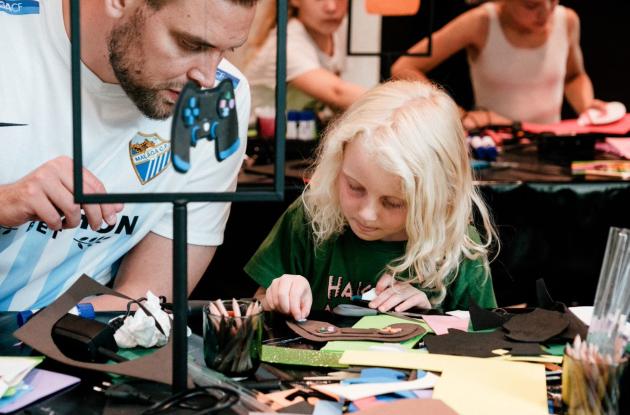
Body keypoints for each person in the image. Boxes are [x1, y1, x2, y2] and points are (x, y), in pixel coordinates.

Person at [0, 0, 258, 311]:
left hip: (61, 341)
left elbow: (146, 295)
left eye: (225, 51)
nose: (206, 78)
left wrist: (51, 345)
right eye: (190, 44)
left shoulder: (221, 100)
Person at [244, 80, 498, 320]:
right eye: (355, 187)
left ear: (435, 197)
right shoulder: (311, 216)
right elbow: (255, 308)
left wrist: (431, 317)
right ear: (338, 160)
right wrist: (278, 297)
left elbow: (486, 342)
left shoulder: (458, 247)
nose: (367, 213)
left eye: (393, 202)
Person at [391, 0, 607, 129]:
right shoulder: (481, 22)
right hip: (496, 146)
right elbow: (403, 67)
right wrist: (457, 113)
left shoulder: (567, 20)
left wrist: (587, 106)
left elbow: (573, 76)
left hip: (548, 145)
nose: (546, 13)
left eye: (553, 1)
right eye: (531, 5)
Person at [243, 0, 366, 116]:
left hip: (300, 131)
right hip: (256, 135)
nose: (331, 7)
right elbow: (337, 93)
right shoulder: (286, 42)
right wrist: (383, 101)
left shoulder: (337, 32)